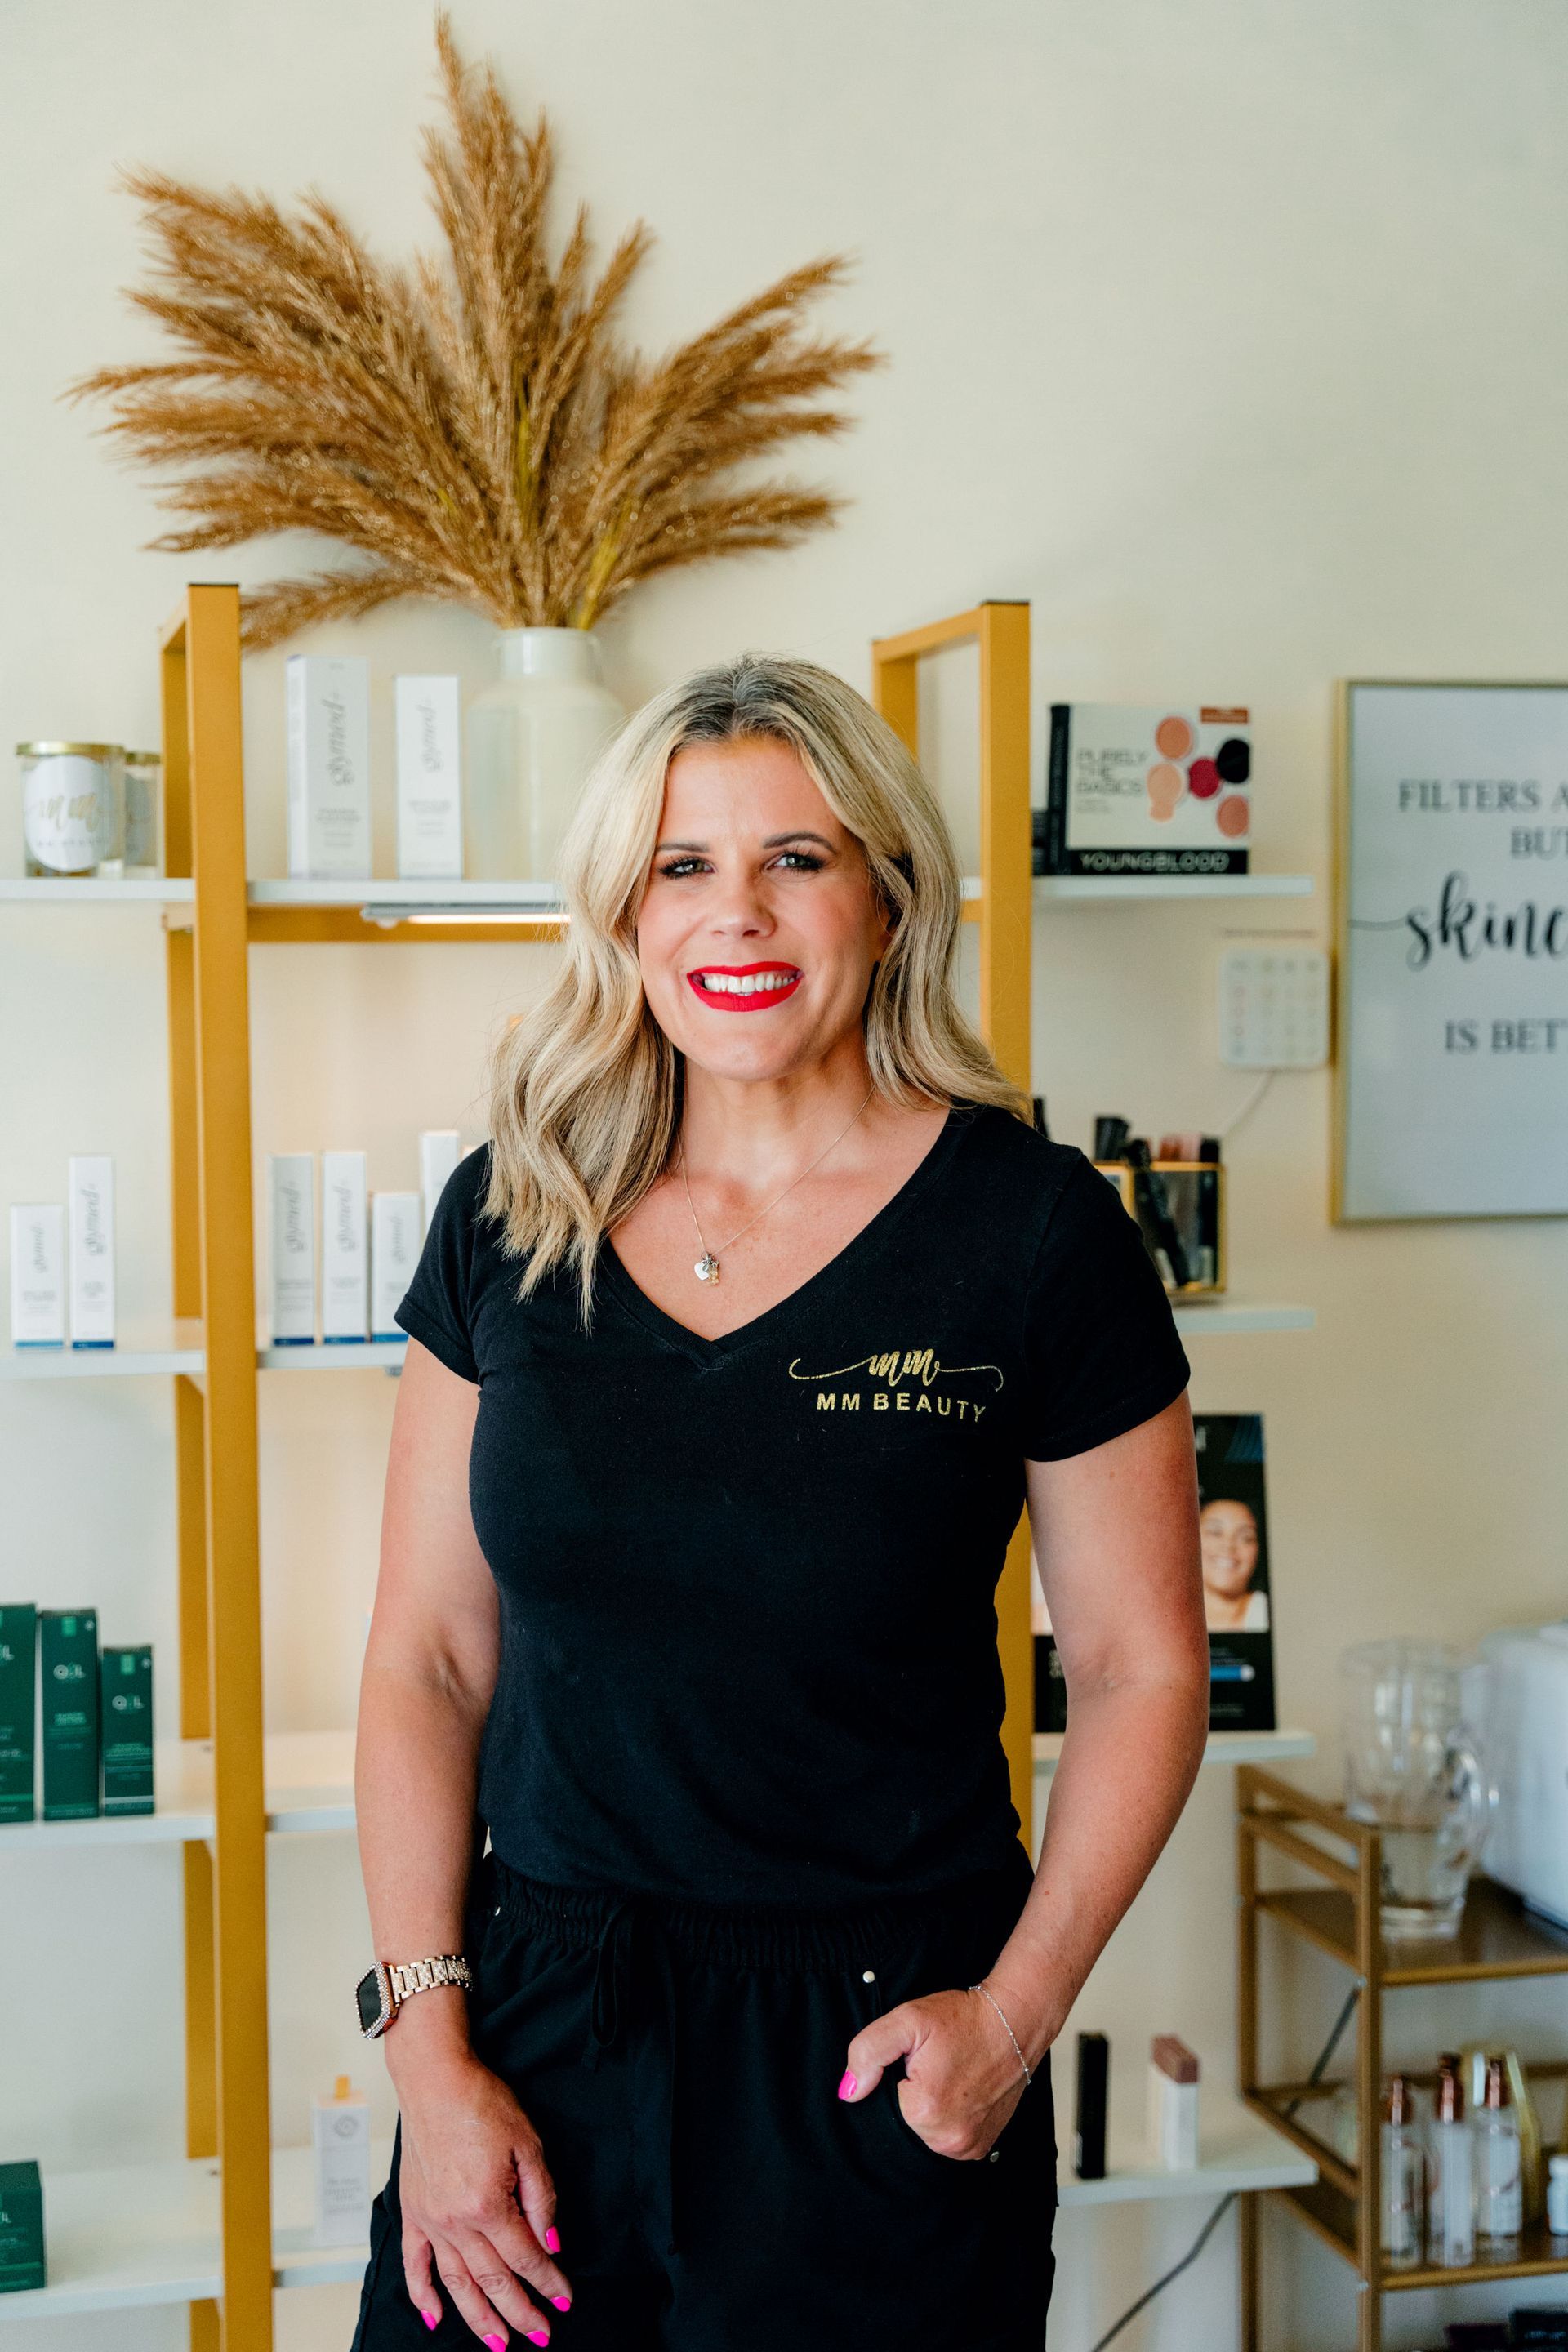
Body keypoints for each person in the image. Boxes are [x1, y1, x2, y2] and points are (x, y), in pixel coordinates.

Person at [350, 655, 1209, 2352]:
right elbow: (428, 1661)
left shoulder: (1037, 1236)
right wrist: (428, 2056)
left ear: (887, 898)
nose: (736, 914)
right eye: (684, 866)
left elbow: (1138, 1668)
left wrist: (1017, 2021)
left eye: (796, 859)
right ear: (625, 913)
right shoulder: (514, 1209)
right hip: (535, 2040)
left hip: (880, 2050)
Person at [1198, 1495, 1269, 1631]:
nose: (1228, 1545)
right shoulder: (1164, 1617)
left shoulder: (1269, 1612)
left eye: (1246, 1537)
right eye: (1215, 1532)